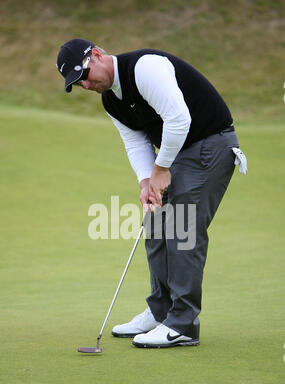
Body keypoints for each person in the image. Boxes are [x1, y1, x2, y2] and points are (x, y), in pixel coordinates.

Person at [56, 38, 247, 349]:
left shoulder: (144, 68)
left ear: (98, 55)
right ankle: (161, 312)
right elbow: (136, 143)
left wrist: (161, 169)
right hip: (180, 153)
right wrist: (146, 181)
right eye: (79, 84)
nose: (86, 85)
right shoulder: (111, 101)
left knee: (182, 228)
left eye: (85, 75)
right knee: (156, 223)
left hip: (211, 144)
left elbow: (179, 119)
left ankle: (182, 323)